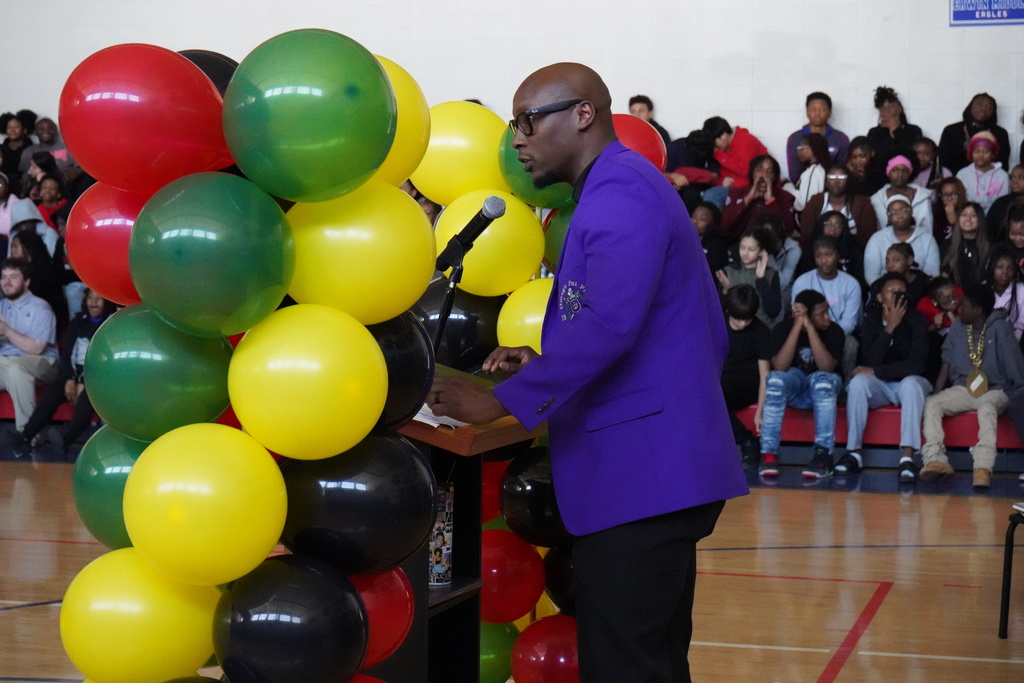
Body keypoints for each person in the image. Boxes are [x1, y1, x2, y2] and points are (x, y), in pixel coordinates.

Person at [428, 63, 748, 683]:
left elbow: (608, 326)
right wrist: (548, 362)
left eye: (528, 120)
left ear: (583, 114)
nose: (516, 138)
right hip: (650, 471)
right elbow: (645, 327)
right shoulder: (616, 188)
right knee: (641, 664)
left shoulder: (622, 191)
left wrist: (499, 401)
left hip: (643, 474)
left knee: (629, 669)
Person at [919, 284, 1024, 488]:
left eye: (965, 305)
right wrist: (938, 392)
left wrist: (1017, 396)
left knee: (986, 407)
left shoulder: (1000, 328)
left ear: (978, 311)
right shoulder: (959, 326)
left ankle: (982, 468)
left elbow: (1014, 366)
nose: (960, 307)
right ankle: (935, 460)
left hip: (996, 390)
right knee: (932, 404)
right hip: (964, 388)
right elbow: (946, 360)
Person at [837, 273, 930, 481]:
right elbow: (869, 360)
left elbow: (916, 365)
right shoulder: (872, 319)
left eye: (902, 292)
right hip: (883, 385)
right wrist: (890, 327)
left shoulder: (917, 319)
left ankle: (907, 457)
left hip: (912, 383)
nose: (898, 295)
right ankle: (854, 452)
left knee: (910, 384)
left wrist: (877, 371)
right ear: (879, 297)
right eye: (892, 291)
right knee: (858, 383)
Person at [757, 288, 844, 479]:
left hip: (823, 389)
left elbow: (826, 367)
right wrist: (798, 326)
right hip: (795, 386)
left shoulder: (835, 331)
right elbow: (779, 366)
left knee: (823, 381)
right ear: (806, 317)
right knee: (775, 379)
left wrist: (811, 328)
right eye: (821, 314)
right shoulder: (782, 329)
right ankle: (769, 452)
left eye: (827, 311)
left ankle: (823, 454)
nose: (828, 317)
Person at [16, 289, 116, 454]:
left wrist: (84, 382)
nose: (94, 302)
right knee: (55, 389)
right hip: (73, 372)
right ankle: (26, 436)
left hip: (98, 375)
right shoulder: (77, 321)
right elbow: (67, 353)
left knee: (89, 396)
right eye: (90, 298)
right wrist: (70, 379)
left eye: (99, 299)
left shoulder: (110, 323)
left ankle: (66, 439)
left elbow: (103, 358)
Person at [0, 258, 59, 434]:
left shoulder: (40, 308)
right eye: (3, 277)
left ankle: (27, 433)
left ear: (26, 282)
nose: (7, 282)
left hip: (43, 362)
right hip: (5, 362)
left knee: (17, 368)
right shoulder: (1, 306)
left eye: (13, 277)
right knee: (14, 369)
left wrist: (6, 330)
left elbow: (36, 349)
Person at [720, 285, 771, 465]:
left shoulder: (760, 331)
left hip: (748, 384)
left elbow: (765, 374)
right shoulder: (716, 324)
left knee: (711, 398)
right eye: (738, 318)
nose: (742, 324)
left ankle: (747, 441)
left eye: (747, 319)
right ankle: (747, 440)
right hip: (721, 381)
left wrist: (760, 410)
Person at [863, 194, 941, 284]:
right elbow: (871, 276)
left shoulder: (926, 238)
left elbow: (932, 273)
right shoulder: (877, 239)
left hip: (920, 291)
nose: (899, 215)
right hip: (886, 292)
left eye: (903, 210)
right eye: (893, 213)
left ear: (911, 211)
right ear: (888, 217)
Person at [715, 226, 782, 328]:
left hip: (762, 329)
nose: (745, 253)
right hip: (734, 329)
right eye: (742, 247)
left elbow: (773, 311)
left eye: (751, 249)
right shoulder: (729, 272)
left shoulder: (771, 274)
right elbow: (719, 310)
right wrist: (727, 290)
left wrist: (761, 280)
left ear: (762, 252)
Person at [720, 154, 796, 241]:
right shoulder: (736, 193)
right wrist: (748, 199)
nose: (764, 175)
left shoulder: (785, 197)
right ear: (752, 174)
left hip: (771, 246)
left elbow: (788, 230)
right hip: (739, 245)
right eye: (759, 170)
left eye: (769, 171)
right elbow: (724, 226)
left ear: (774, 177)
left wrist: (770, 201)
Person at [798, 164, 877, 248]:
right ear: (826, 182)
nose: (836, 181)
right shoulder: (816, 201)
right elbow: (807, 232)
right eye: (832, 177)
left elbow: (868, 238)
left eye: (841, 177)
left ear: (848, 181)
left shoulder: (862, 204)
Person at [701, 116, 768, 208]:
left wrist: (720, 156)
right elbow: (717, 175)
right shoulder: (723, 148)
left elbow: (747, 171)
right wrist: (721, 181)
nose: (716, 148)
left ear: (723, 135)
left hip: (752, 187)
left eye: (716, 144)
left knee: (713, 195)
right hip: (734, 187)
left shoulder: (745, 140)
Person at [938, 93, 1011, 175]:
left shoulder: (1001, 134)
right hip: (955, 182)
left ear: (993, 112)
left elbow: (1003, 165)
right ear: (970, 107)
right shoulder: (951, 131)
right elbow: (943, 163)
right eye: (979, 104)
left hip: (990, 182)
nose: (983, 108)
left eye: (989, 106)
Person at [785, 92, 850, 183]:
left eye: (822, 110)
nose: (817, 114)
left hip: (832, 189)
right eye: (813, 110)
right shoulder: (794, 139)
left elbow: (842, 170)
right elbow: (794, 173)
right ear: (807, 112)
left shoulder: (841, 139)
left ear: (830, 113)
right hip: (803, 187)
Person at [869, 155, 934, 237]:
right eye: (895, 170)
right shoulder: (876, 200)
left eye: (905, 171)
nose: (900, 174)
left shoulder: (922, 196)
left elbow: (928, 228)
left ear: (909, 173)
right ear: (888, 172)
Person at [954, 131, 1009, 214]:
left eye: (986, 152)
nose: (981, 155)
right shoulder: (962, 174)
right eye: (977, 151)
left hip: (995, 218)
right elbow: (959, 200)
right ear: (971, 153)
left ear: (993, 154)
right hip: (969, 217)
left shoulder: (1002, 176)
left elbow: (1003, 202)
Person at [940, 202, 990, 292]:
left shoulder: (990, 245)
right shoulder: (947, 245)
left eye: (973, 215)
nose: (968, 219)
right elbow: (944, 276)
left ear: (980, 219)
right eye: (964, 215)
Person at [866, 86, 923, 163]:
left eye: (891, 107)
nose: (887, 111)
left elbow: (910, 155)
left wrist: (896, 130)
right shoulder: (874, 133)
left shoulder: (913, 130)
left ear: (899, 108)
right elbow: (879, 158)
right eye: (883, 109)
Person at [986, 244, 1024, 341]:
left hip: (1013, 341)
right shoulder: (984, 289)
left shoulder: (1021, 290)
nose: (1005, 272)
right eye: (1000, 267)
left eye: (1010, 268)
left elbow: (1021, 326)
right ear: (992, 268)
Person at [785, 132, 830, 213]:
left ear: (813, 149)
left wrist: (787, 186)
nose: (799, 151)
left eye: (801, 147)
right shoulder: (820, 169)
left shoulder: (814, 172)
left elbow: (804, 203)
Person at [986, 164, 1024, 242]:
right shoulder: (1001, 203)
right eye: (1012, 177)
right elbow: (989, 232)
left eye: (1021, 177)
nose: (1015, 181)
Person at [690, 201, 730, 274]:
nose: (695, 221)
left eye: (702, 219)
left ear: (712, 224)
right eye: (693, 216)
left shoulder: (717, 244)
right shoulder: (684, 237)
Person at [883, 242, 927, 306]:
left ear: (909, 260)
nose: (889, 265)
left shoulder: (924, 284)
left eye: (896, 260)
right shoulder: (881, 283)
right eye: (887, 261)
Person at [932, 177, 968, 243]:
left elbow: (967, 240)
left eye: (954, 194)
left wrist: (954, 222)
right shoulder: (936, 215)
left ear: (960, 194)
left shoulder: (969, 212)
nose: (949, 199)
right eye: (945, 195)